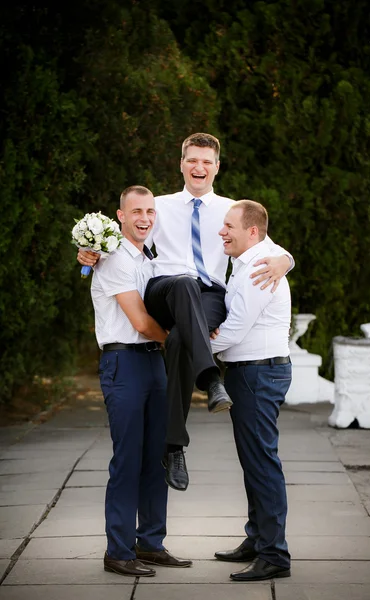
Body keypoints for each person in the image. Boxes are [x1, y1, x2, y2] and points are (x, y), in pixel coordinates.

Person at [79, 133, 293, 492]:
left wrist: (286, 261)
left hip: (208, 295)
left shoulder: (230, 209)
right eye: (192, 159)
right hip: (165, 290)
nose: (199, 167)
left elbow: (269, 243)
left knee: (181, 338)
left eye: (207, 161)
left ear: (217, 167)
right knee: (181, 283)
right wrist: (90, 253)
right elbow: (120, 238)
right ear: (181, 163)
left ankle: (174, 446)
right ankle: (210, 379)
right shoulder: (158, 206)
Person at [91, 185, 192, 577]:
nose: (145, 218)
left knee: (157, 457)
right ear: (120, 215)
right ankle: (118, 549)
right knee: (128, 460)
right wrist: (184, 345)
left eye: (150, 211)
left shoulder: (150, 258)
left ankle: (150, 543)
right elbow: (140, 322)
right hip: (124, 363)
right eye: (136, 212)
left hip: (153, 364)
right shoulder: (114, 259)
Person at [210, 200, 292, 582]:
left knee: (262, 464)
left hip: (258, 375)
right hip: (250, 373)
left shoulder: (260, 266)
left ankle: (274, 555)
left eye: (229, 226)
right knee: (254, 462)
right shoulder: (255, 259)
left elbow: (237, 326)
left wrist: (193, 347)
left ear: (252, 232)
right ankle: (257, 539)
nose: (222, 232)